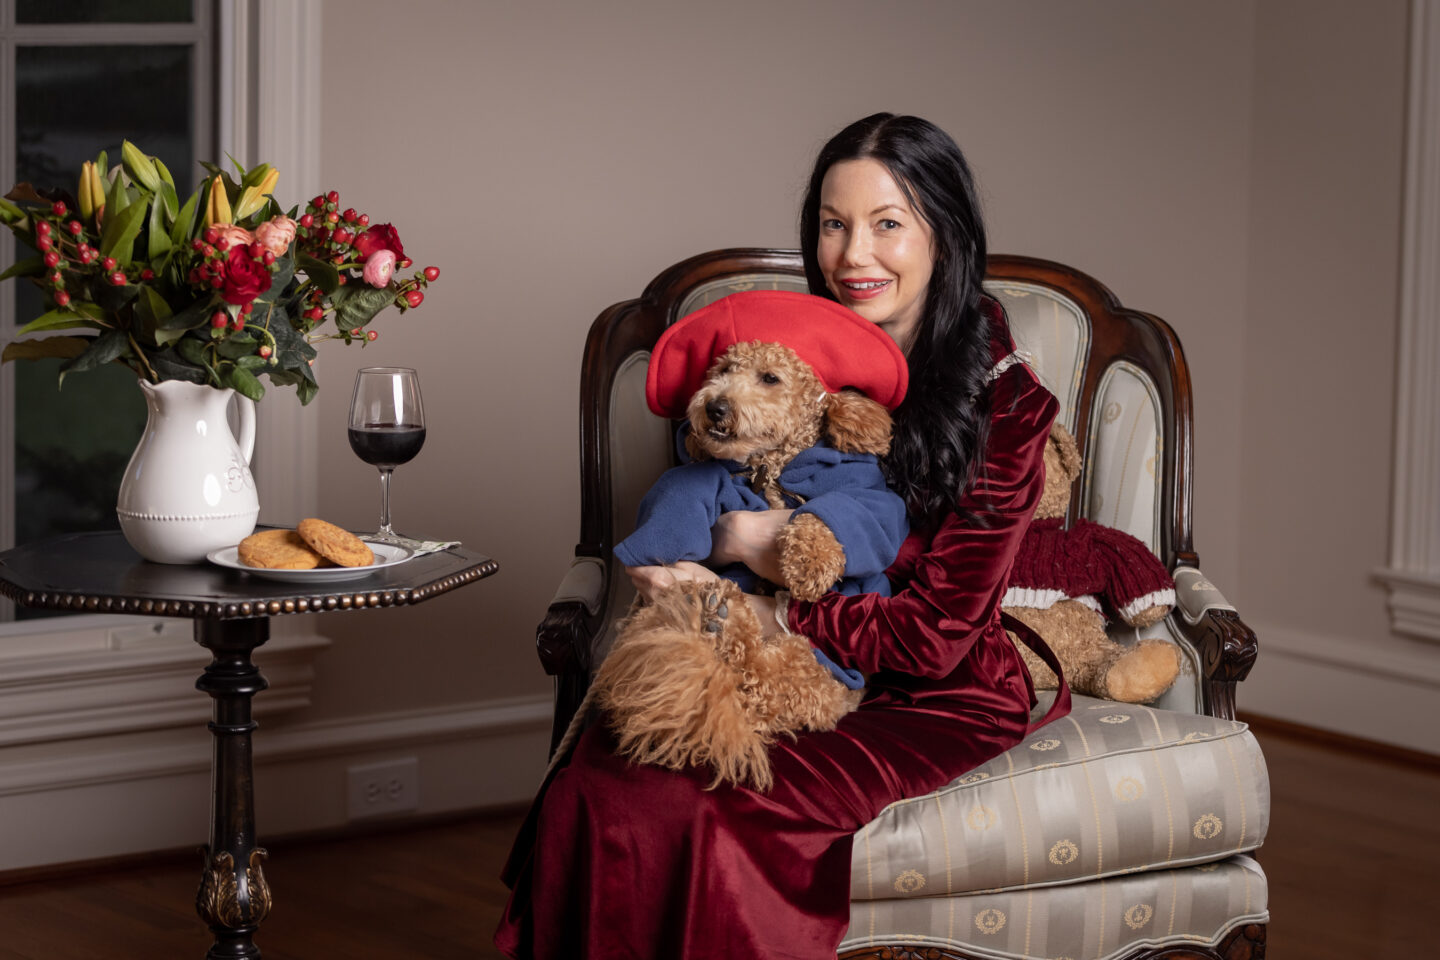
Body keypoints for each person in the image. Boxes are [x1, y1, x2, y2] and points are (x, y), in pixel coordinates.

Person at [495, 112, 1069, 960]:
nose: (854, 256)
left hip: (926, 690)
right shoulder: (790, 358)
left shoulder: (1009, 405)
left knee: (696, 803)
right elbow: (702, 487)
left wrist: (763, 577)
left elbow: (935, 636)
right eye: (834, 225)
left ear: (945, 235)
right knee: (602, 784)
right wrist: (717, 545)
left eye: (888, 224)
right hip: (753, 657)